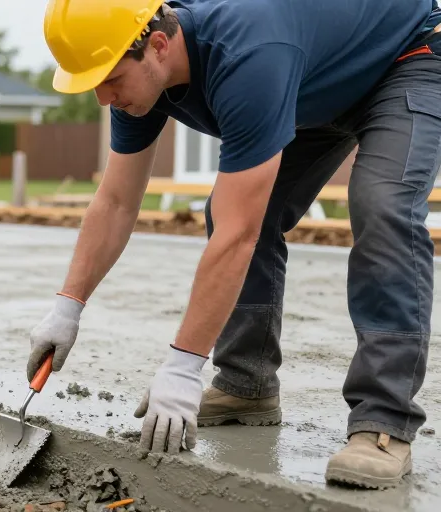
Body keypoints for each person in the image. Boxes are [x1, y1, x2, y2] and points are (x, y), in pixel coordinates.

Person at [29, 0, 441, 489]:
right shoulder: (140, 79)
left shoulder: (247, 55)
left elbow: (236, 234)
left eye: (109, 79)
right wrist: (67, 306)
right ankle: (246, 386)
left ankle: (384, 423)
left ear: (158, 45)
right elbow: (117, 202)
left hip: (404, 56)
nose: (102, 97)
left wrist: (183, 366)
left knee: (381, 205)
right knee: (244, 207)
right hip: (313, 78)